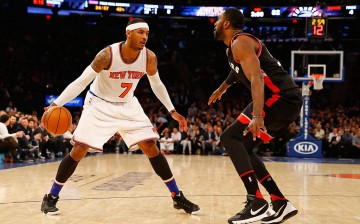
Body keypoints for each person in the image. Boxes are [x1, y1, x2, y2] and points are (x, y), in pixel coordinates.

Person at [40, 18, 199, 216]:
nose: (144, 37)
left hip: (128, 105)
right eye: (140, 32)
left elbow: (157, 84)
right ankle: (51, 197)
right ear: (128, 33)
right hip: (99, 104)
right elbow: (81, 82)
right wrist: (57, 104)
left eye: (147, 33)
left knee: (151, 146)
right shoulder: (107, 55)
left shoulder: (149, 57)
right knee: (79, 149)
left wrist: (172, 110)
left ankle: (177, 196)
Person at [209, 8, 302, 224]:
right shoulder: (232, 49)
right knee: (245, 147)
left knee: (230, 138)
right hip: (277, 99)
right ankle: (279, 202)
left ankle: (256, 201)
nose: (214, 23)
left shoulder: (240, 41)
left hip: (281, 97)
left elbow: (257, 78)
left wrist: (258, 116)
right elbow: (237, 70)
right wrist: (223, 87)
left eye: (218, 20)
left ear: (226, 24)